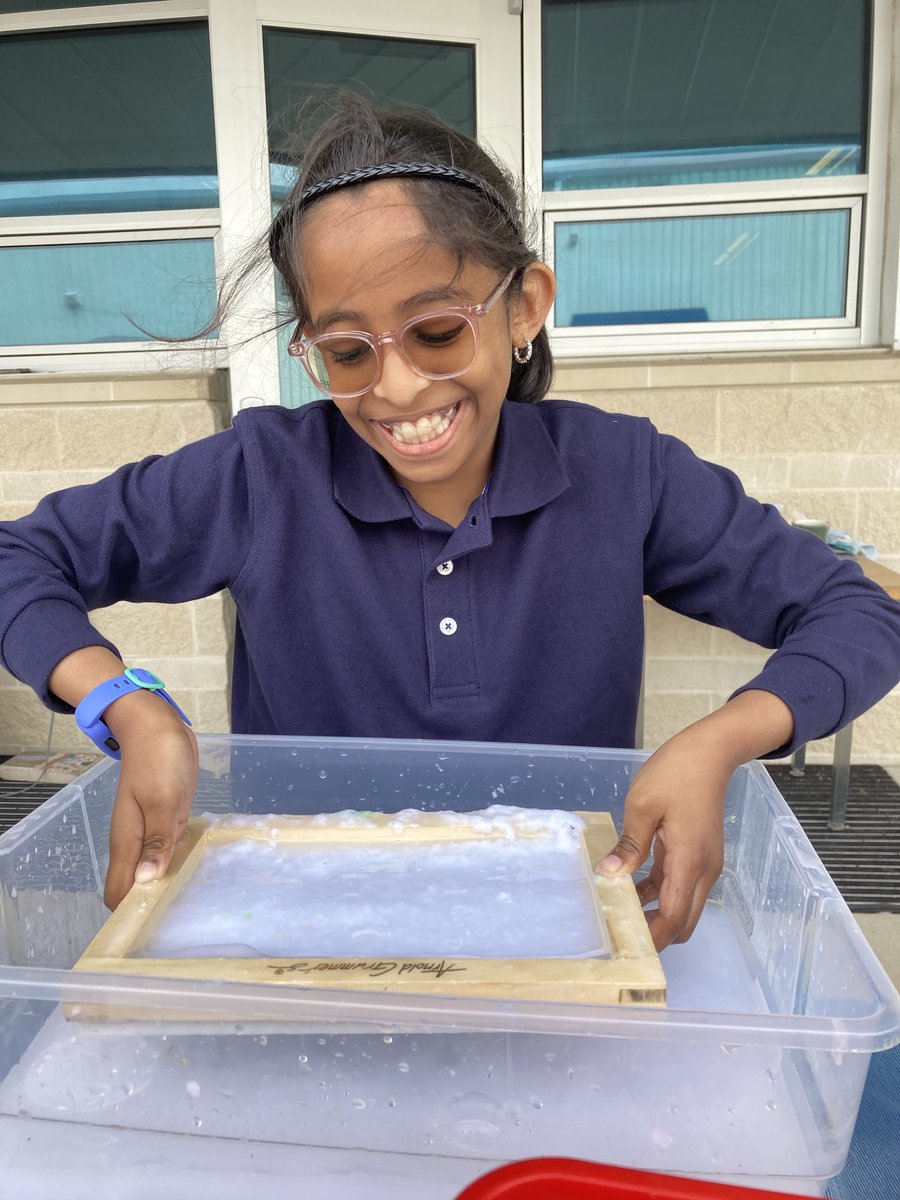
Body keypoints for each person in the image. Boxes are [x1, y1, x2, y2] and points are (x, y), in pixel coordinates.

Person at [1, 92, 898, 946]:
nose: (396, 388)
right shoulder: (260, 476)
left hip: (558, 924)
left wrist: (721, 741)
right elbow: (20, 558)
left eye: (437, 332)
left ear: (524, 306)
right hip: (310, 927)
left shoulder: (626, 473)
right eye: (347, 351)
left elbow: (858, 610)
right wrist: (124, 703)